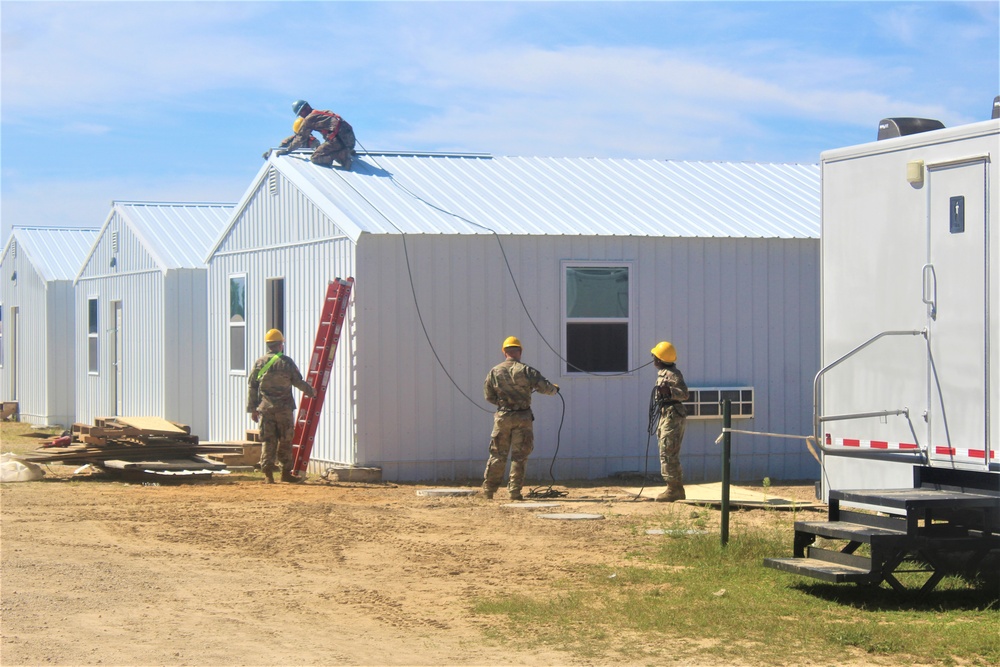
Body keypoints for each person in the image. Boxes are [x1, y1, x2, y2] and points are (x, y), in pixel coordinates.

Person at [482, 336, 559, 501]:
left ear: (504, 352)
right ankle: (514, 492)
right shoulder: (527, 371)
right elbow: (546, 388)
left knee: (497, 454)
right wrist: (555, 390)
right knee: (520, 456)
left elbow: (488, 396)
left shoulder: (494, 371)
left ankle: (489, 491)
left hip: (503, 417)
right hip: (523, 417)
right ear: (520, 352)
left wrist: (503, 404)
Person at [246, 328, 316, 484]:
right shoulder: (287, 362)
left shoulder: (259, 363)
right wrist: (311, 391)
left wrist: (252, 409)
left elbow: (252, 386)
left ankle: (268, 475)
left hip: (266, 409)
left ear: (268, 345)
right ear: (280, 345)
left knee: (268, 441)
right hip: (284, 410)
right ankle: (286, 473)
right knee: (285, 441)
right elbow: (298, 382)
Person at [651, 341, 689, 502]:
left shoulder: (673, 374)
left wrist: (670, 391)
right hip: (666, 414)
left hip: (672, 415)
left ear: (659, 359)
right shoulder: (664, 373)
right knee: (665, 450)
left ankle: (674, 489)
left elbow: (684, 394)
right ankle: (673, 487)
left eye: (654, 356)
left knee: (668, 451)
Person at [284, 99, 356, 169]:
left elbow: (300, 137)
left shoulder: (309, 119)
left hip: (338, 141)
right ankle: (347, 150)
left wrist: (288, 150)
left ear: (307, 107)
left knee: (315, 158)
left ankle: (341, 154)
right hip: (351, 140)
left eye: (301, 112)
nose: (301, 116)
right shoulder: (326, 112)